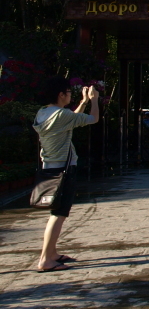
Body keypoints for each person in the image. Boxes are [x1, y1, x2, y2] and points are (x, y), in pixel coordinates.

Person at [34, 78, 100, 272]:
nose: (70, 96)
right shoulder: (61, 115)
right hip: (64, 169)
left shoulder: (44, 113)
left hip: (50, 167)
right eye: (69, 93)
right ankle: (46, 259)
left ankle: (52, 253)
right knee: (58, 214)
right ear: (61, 94)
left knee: (56, 212)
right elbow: (92, 119)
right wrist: (94, 100)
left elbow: (70, 119)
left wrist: (83, 102)